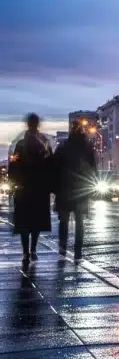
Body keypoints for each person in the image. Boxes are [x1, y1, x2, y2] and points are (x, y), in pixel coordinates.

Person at [9, 113, 53, 264]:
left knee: (24, 221)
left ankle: (25, 252)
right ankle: (33, 250)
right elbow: (50, 164)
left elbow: (13, 165)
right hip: (39, 188)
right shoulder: (45, 143)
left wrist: (14, 182)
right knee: (36, 221)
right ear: (37, 125)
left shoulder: (21, 144)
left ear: (27, 125)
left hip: (23, 188)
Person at [53, 121, 97, 258]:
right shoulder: (87, 146)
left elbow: (54, 168)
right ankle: (78, 251)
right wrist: (91, 189)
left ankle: (63, 247)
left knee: (64, 220)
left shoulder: (63, 146)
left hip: (64, 189)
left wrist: (54, 188)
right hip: (81, 189)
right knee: (79, 221)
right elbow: (93, 169)